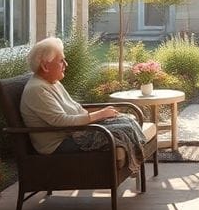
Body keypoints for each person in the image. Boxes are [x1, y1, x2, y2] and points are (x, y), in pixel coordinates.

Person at [20, 37, 146, 168]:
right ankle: (136, 166)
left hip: (75, 132)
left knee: (128, 120)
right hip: (60, 143)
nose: (66, 64)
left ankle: (136, 167)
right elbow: (61, 121)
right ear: (45, 66)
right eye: (61, 61)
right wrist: (100, 115)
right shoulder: (37, 89)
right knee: (123, 129)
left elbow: (74, 108)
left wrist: (102, 115)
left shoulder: (52, 82)